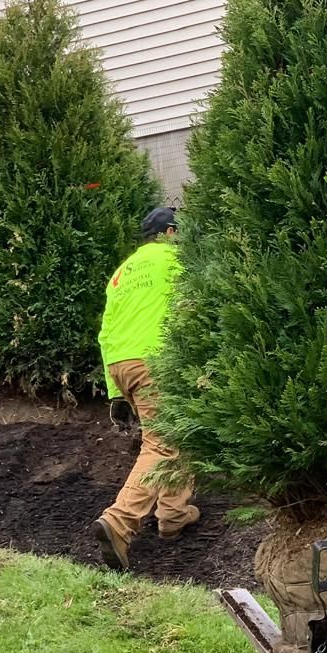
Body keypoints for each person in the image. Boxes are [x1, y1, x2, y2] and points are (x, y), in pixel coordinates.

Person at [92, 206, 198, 571]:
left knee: (173, 435)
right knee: (162, 444)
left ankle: (173, 515)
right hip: (156, 360)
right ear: (169, 233)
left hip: (122, 363)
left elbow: (105, 331)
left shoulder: (122, 273)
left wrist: (115, 391)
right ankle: (119, 522)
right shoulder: (176, 262)